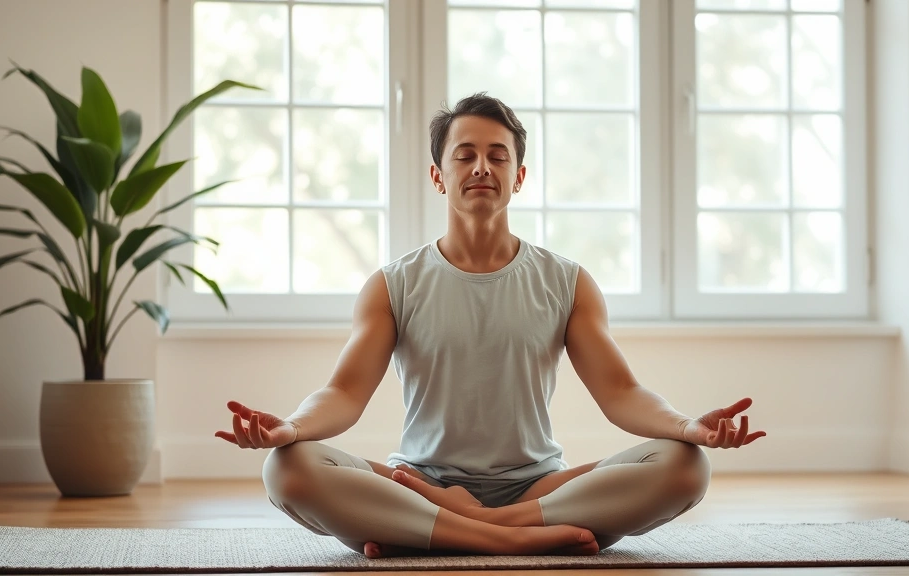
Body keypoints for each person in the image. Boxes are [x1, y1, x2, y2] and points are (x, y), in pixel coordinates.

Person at [215, 92, 766, 559]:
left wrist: (688, 427)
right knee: (286, 469)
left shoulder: (567, 281)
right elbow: (343, 392)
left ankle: (453, 532)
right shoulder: (393, 284)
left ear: (518, 177)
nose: (482, 167)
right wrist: (290, 428)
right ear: (438, 175)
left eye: (498, 156)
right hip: (421, 484)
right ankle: (511, 540)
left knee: (685, 467)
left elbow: (621, 392)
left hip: (539, 486)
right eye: (467, 155)